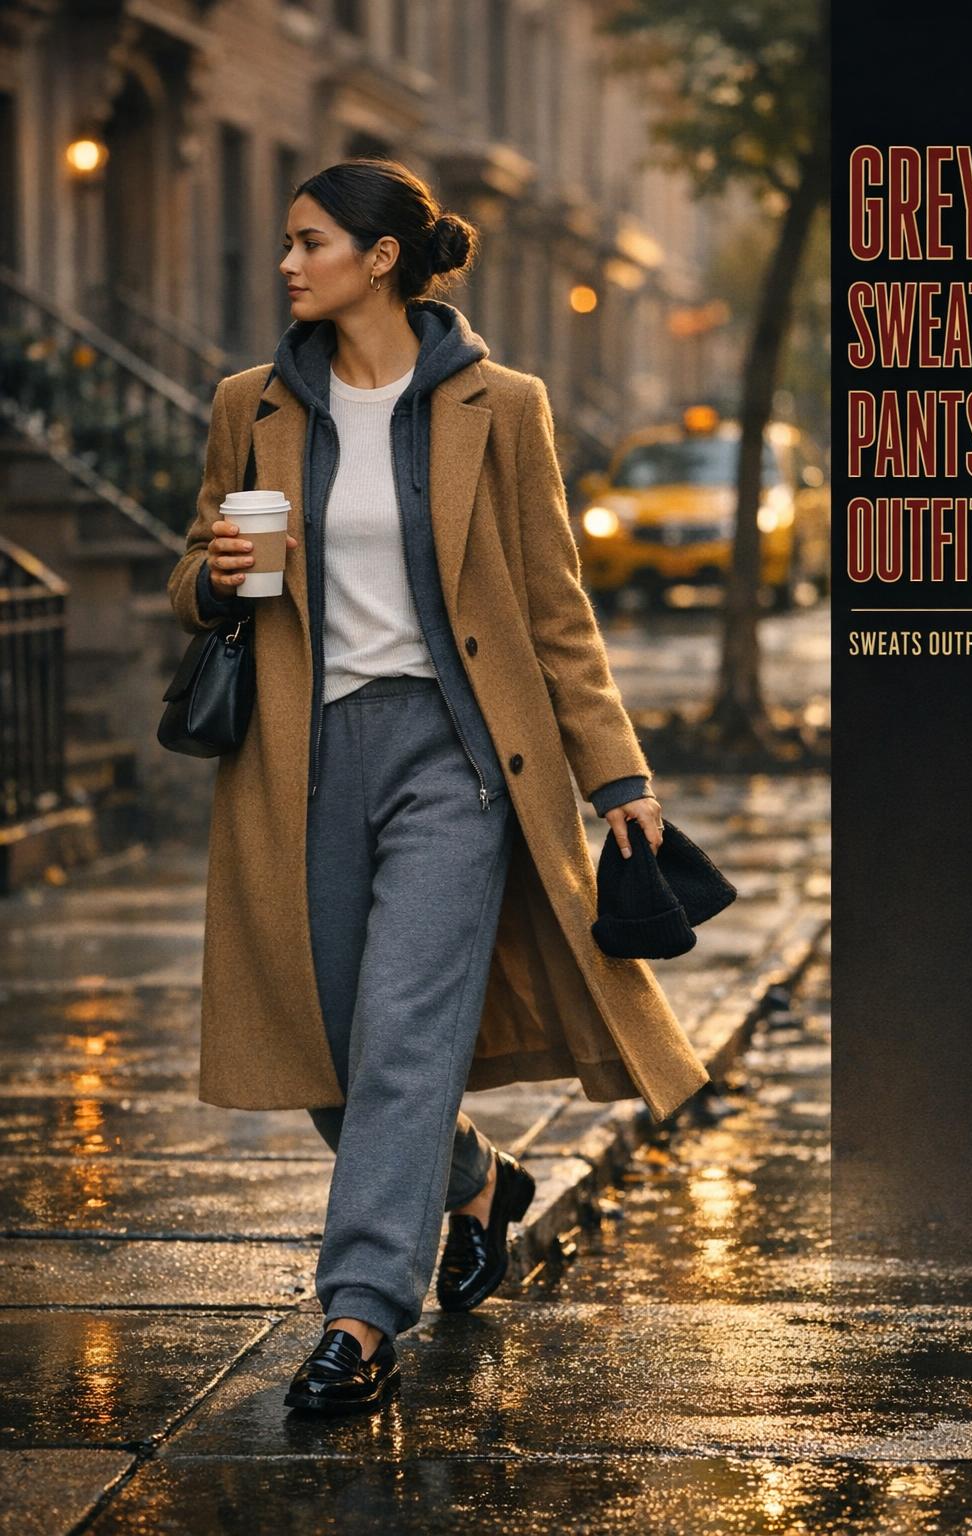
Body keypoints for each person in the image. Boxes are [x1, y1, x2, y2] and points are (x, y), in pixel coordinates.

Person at [168, 158, 706, 1420]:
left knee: (406, 1037)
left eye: (309, 243)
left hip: (457, 764)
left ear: (382, 257)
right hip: (296, 759)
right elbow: (196, 568)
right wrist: (218, 571)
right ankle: (472, 1180)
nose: (289, 264)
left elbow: (554, 603)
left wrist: (614, 769)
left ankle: (357, 1317)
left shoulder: (497, 404)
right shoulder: (250, 404)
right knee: (322, 1046)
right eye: (287, 244)